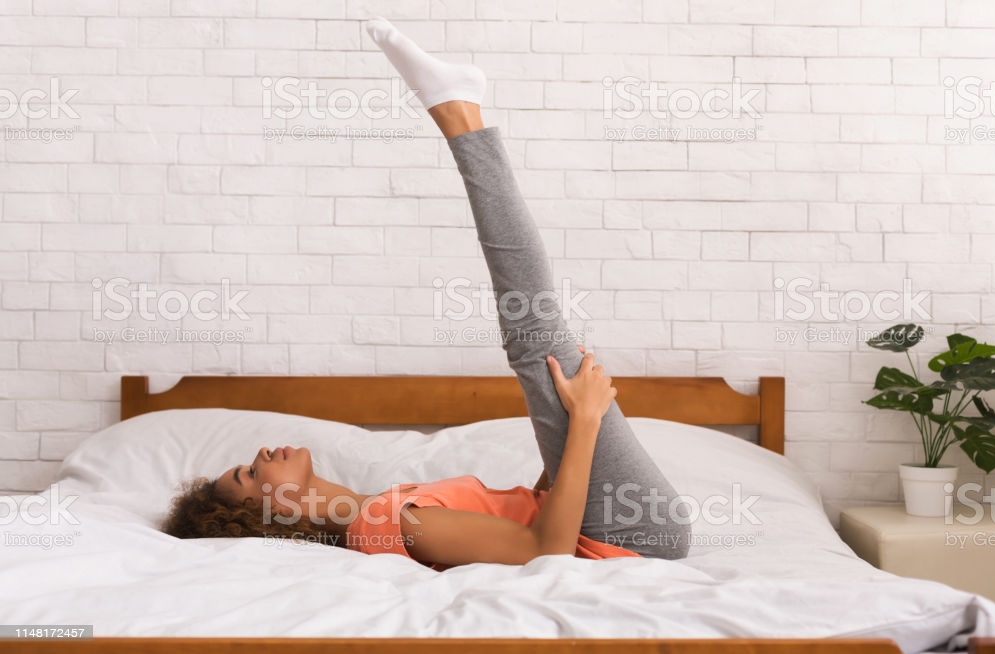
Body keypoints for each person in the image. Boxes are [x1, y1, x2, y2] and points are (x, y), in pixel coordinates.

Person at [161, 18, 691, 570]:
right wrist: (580, 423)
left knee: (536, 340)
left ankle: (460, 109)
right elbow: (546, 552)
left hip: (609, 523)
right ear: (276, 512)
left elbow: (538, 517)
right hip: (634, 534)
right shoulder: (385, 524)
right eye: (250, 474)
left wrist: (564, 437)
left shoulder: (378, 512)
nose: (260, 456)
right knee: (533, 335)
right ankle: (459, 113)